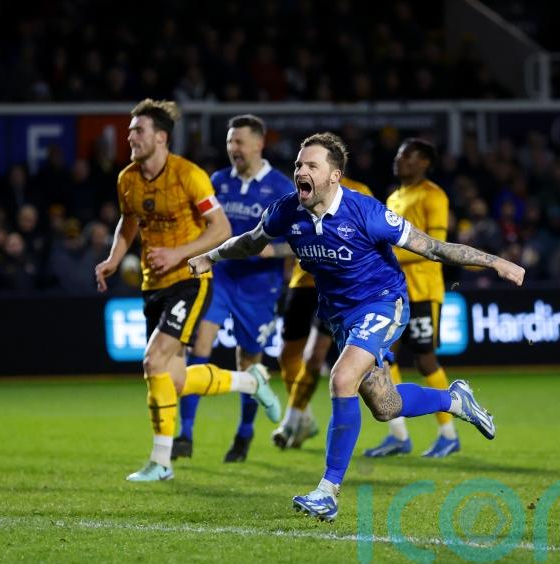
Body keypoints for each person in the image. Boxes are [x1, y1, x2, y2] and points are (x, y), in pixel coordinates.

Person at [189, 132, 524, 521]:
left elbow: (432, 247)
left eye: (311, 165)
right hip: (339, 315)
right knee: (386, 406)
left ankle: (327, 492)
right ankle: (455, 402)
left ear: (334, 177)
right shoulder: (287, 211)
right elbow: (250, 241)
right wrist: (210, 256)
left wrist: (495, 262)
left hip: (384, 303)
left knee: (341, 378)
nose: (300, 170)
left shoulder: (367, 213)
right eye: (298, 164)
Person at [94, 99, 279, 482]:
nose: (130, 136)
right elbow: (129, 222)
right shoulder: (127, 178)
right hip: (153, 284)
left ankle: (162, 460)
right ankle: (251, 381)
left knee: (153, 362)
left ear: (161, 137)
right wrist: (114, 258)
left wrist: (178, 253)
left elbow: (221, 230)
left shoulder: (189, 175)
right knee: (174, 378)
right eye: (130, 130)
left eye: (138, 130)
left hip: (191, 280)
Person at [173, 114, 294, 463]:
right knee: (199, 344)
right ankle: (186, 433)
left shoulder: (282, 187)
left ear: (259, 143)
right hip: (221, 278)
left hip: (259, 286)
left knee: (249, 360)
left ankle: (244, 434)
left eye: (239, 142)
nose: (233, 149)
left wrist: (276, 250)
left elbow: (301, 241)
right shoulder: (218, 181)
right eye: (229, 142)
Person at [364, 138, 460, 458]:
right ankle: (398, 435)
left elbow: (436, 247)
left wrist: (387, 258)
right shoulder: (393, 197)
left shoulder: (433, 195)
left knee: (424, 358)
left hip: (422, 291)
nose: (399, 160)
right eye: (398, 155)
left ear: (423, 162)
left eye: (406, 156)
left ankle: (448, 433)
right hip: (393, 293)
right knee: (383, 358)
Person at [273, 176, 374, 450]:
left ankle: (291, 420)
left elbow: (371, 237)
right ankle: (304, 416)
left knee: (314, 355)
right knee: (287, 355)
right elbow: (288, 230)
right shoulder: (300, 194)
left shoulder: (360, 192)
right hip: (301, 282)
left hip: (335, 285)